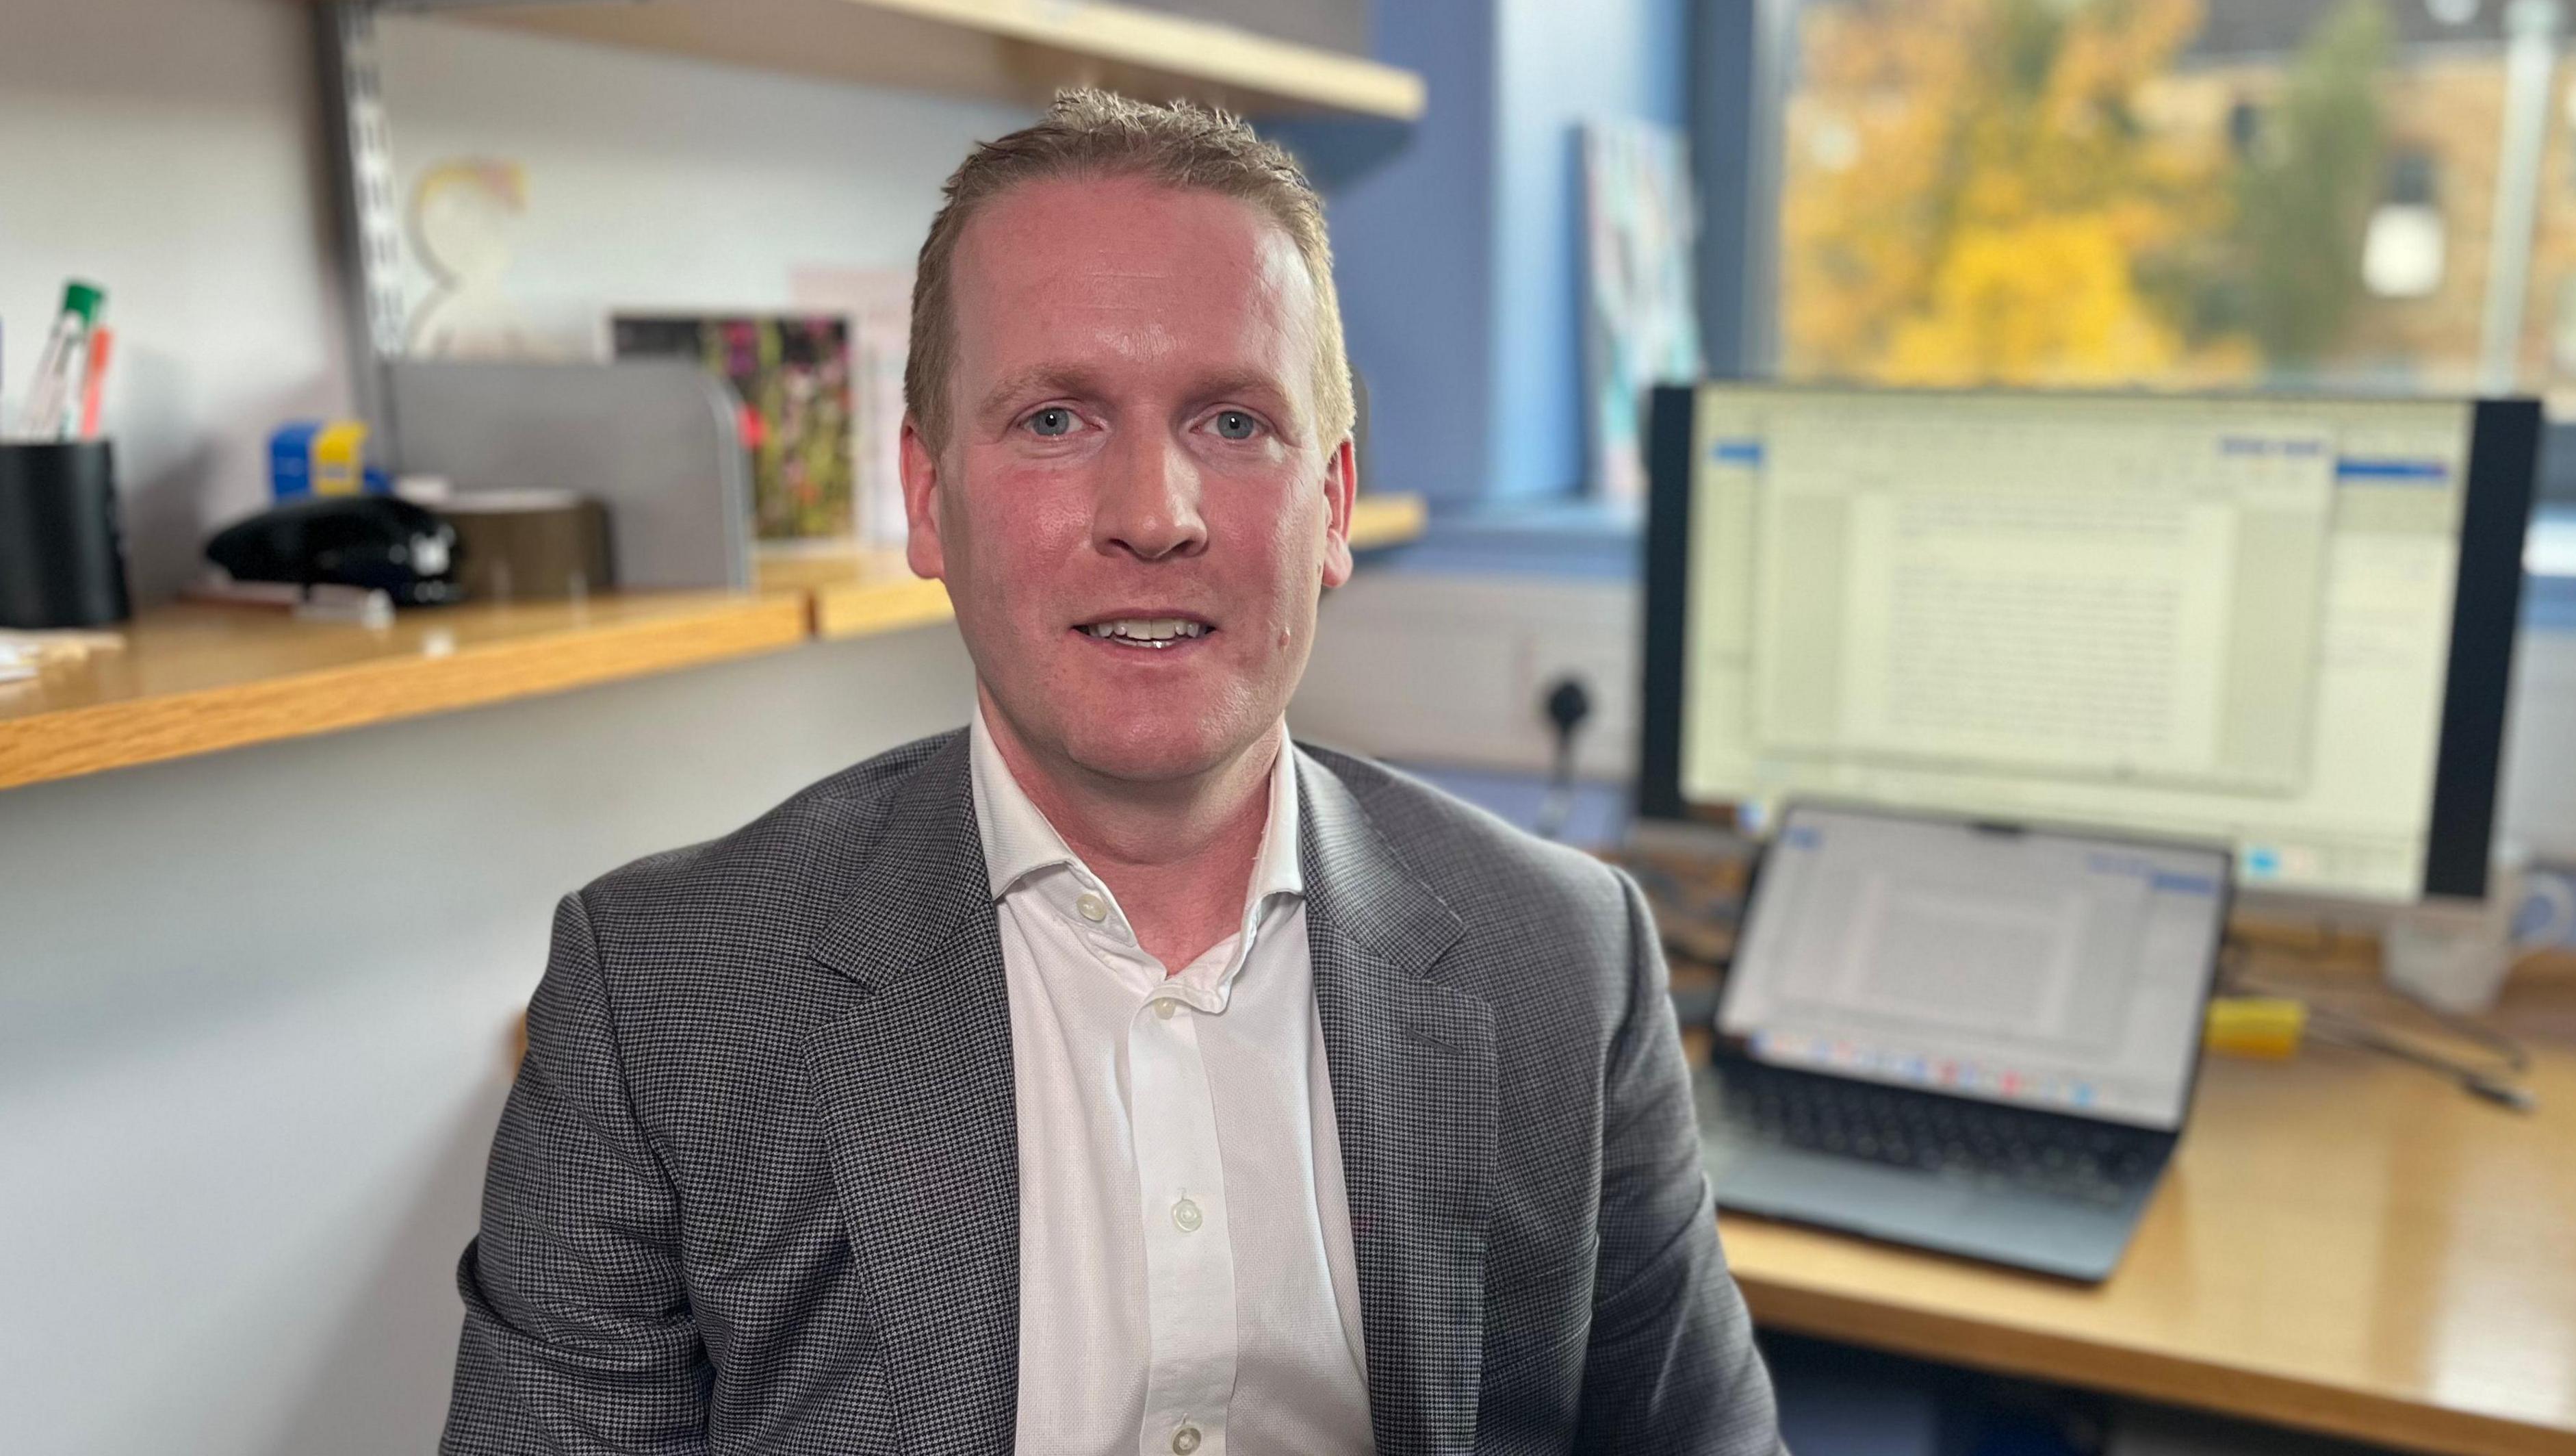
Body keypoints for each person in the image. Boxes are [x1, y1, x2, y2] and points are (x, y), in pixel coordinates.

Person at [441, 88, 1781, 1455]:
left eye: (1235, 424)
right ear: (927, 497)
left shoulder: (1563, 961)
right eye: (1055, 422)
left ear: (1332, 503)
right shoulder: (663, 1000)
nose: (1155, 516)